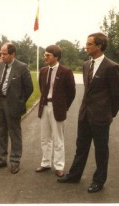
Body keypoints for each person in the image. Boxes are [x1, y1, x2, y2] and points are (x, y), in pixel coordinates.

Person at [57, 32, 119, 193]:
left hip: (101, 116)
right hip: (85, 114)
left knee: (101, 150)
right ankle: (74, 175)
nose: (85, 46)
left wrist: (110, 113)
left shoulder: (111, 67)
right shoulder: (86, 65)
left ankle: (98, 181)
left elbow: (118, 94)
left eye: (89, 44)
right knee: (81, 146)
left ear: (99, 46)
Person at [0, 43, 33, 174]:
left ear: (12, 54)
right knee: (0, 133)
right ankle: (2, 160)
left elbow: (29, 88)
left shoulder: (22, 67)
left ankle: (15, 161)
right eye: (1, 53)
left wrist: (20, 102)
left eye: (4, 54)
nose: (1, 56)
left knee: (14, 133)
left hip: (13, 105)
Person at [36, 45, 76, 177]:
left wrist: (64, 107)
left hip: (57, 108)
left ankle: (59, 166)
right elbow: (42, 89)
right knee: (44, 138)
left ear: (56, 57)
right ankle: (45, 163)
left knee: (58, 138)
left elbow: (71, 92)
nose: (45, 57)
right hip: (45, 107)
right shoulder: (42, 71)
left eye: (48, 55)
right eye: (44, 55)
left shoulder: (65, 71)